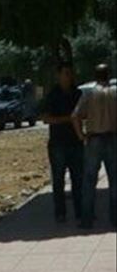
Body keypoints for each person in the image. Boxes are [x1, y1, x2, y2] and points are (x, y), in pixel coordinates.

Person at [72, 64, 117, 229]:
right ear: (108, 75)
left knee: (89, 181)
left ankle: (87, 219)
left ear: (95, 76)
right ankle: (115, 218)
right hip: (112, 138)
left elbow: (75, 116)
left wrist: (81, 135)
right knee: (115, 180)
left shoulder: (89, 94)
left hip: (94, 139)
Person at [41, 62, 84, 223]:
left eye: (70, 73)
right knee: (58, 180)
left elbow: (84, 114)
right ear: (58, 75)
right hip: (58, 144)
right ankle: (60, 213)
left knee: (78, 179)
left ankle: (80, 211)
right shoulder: (52, 95)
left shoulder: (78, 93)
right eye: (66, 73)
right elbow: (46, 118)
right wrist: (68, 119)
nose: (69, 76)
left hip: (76, 142)